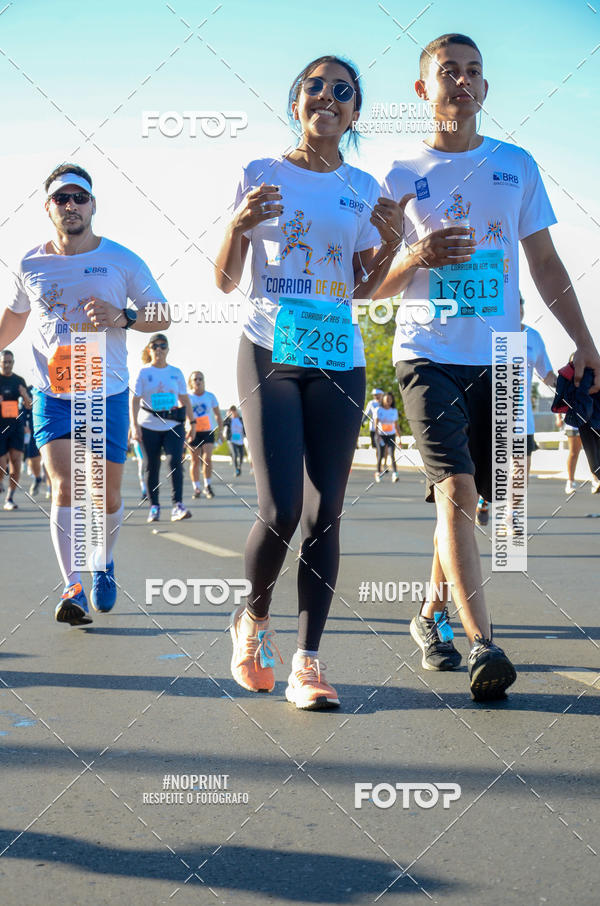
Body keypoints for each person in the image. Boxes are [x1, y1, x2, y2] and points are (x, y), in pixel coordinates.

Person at [375, 34, 600, 700]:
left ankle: (428, 616)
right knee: (459, 496)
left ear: (486, 87)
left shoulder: (517, 165)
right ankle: (484, 645)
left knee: (469, 510)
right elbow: (366, 283)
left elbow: (546, 264)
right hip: (427, 355)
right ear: (424, 90)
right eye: (449, 73)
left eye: (474, 72)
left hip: (499, 356)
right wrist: (417, 258)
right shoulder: (394, 174)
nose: (463, 82)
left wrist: (585, 341)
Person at [215, 54, 408, 709]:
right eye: (315, 87)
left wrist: (387, 245)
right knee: (281, 510)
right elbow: (225, 279)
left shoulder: (362, 185)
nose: (328, 97)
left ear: (354, 114)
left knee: (326, 513)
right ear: (296, 100)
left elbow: (361, 288)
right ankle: (254, 618)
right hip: (269, 346)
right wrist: (236, 228)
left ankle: (308, 663)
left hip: (337, 351)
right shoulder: (259, 173)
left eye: (343, 92)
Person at [0, 163, 170, 624]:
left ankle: (104, 561)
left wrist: (123, 316)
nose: (71, 206)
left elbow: (162, 314)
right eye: (62, 198)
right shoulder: (29, 263)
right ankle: (72, 587)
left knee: (107, 497)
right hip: (53, 391)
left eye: (79, 198)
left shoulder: (122, 259)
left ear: (93, 205)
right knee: (64, 483)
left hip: (107, 392)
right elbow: (16, 316)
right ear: (48, 207)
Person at [475, 293, 556, 525]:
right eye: (513, 304)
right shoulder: (488, 333)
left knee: (520, 468)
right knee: (490, 467)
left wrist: (572, 386)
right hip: (491, 413)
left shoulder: (534, 337)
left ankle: (512, 515)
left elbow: (547, 375)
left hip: (522, 418)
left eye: (520, 303)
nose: (518, 308)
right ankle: (484, 498)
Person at [131, 336, 195, 522]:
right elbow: (134, 401)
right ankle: (154, 506)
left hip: (173, 425)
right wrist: (134, 426)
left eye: (163, 346)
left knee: (174, 461)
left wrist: (192, 422)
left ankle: (178, 505)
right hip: (148, 425)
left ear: (168, 349)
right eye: (155, 346)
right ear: (149, 350)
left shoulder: (175, 372)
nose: (159, 349)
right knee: (151, 466)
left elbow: (184, 399)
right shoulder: (143, 372)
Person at [0, 350, 32, 510]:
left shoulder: (19, 380)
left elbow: (29, 406)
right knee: (1, 464)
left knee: (16, 462)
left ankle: (10, 497)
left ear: (13, 362)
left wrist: (24, 395)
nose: (7, 365)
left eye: (9, 362)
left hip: (16, 427)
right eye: (4, 362)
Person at [187, 371, 222, 498]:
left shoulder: (210, 396)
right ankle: (196, 487)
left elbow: (218, 414)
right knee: (195, 460)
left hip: (208, 430)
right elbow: (182, 414)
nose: (198, 381)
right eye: (195, 379)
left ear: (204, 381)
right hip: (193, 431)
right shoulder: (188, 397)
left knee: (207, 458)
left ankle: (207, 485)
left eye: (200, 379)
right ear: (191, 382)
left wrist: (221, 431)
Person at [373, 391, 400, 482]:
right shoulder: (378, 410)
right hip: (381, 435)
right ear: (383, 400)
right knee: (380, 455)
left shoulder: (394, 411)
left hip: (391, 435)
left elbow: (396, 426)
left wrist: (399, 438)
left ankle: (395, 474)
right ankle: (378, 473)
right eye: (387, 399)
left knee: (392, 454)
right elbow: (375, 424)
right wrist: (377, 436)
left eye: (390, 399)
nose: (389, 400)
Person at [223, 405, 245, 476]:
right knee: (235, 454)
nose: (233, 413)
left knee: (241, 455)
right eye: (231, 412)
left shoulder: (241, 419)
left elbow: (245, 427)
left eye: (234, 411)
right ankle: (236, 469)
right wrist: (227, 416)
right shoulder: (229, 420)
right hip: (232, 440)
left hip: (240, 439)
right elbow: (223, 424)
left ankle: (239, 466)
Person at [363, 388, 383, 454]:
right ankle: (378, 461)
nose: (376, 396)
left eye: (377, 395)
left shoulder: (385, 402)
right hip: (374, 428)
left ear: (381, 395)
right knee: (375, 445)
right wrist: (362, 421)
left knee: (383, 445)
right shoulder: (371, 403)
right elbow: (366, 414)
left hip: (384, 428)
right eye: (374, 395)